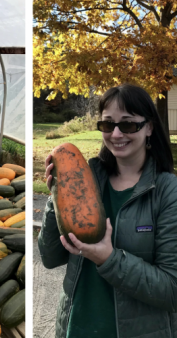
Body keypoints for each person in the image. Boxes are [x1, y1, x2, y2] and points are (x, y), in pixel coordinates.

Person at [38, 84, 177, 338]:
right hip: (75, 328)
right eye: (107, 124)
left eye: (127, 124)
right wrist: (55, 198)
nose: (116, 133)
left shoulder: (168, 192)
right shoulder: (86, 177)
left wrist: (109, 259)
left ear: (149, 127)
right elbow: (50, 258)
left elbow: (172, 290)